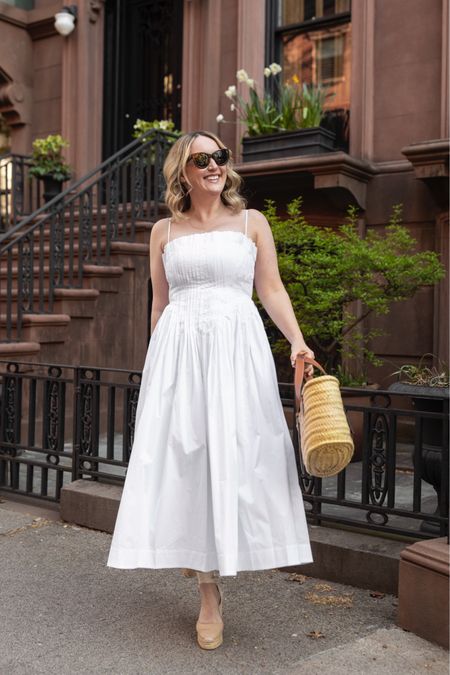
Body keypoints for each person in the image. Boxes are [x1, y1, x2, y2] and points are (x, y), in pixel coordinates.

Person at [107, 130, 315, 650]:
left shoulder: (252, 222)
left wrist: (297, 341)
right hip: (179, 358)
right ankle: (206, 591)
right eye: (202, 159)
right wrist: (155, 365)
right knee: (187, 462)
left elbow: (269, 287)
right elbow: (160, 304)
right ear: (184, 170)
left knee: (237, 457)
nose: (215, 165)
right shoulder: (162, 231)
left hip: (235, 354)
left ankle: (225, 563)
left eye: (220, 156)